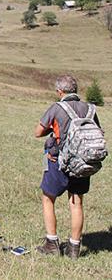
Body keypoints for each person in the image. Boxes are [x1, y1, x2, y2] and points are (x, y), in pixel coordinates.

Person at [34, 74, 100, 259]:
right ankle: (74, 248)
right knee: (76, 203)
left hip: (58, 161)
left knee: (48, 199)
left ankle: (52, 242)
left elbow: (38, 132)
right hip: (83, 163)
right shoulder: (90, 109)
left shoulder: (57, 108)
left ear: (60, 91)